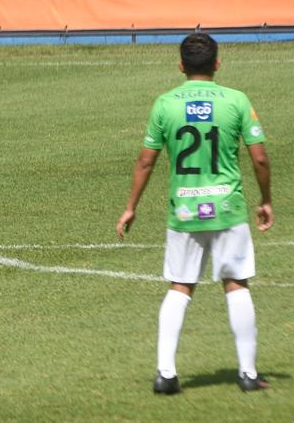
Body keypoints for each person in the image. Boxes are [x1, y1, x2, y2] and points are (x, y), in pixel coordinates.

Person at [117, 33, 273, 394]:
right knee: (236, 284)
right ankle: (248, 374)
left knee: (180, 286)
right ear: (217, 63)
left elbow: (145, 161)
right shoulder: (236, 100)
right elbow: (260, 157)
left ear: (181, 65)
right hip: (227, 210)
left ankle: (165, 374)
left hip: (184, 212)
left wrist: (130, 208)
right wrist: (265, 200)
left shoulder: (165, 104)